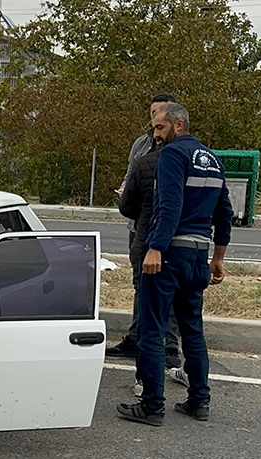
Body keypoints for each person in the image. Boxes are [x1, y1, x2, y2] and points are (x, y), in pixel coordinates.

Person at [117, 102, 232, 427]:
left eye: (159, 128)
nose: (155, 134)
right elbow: (224, 211)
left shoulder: (171, 156)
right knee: (192, 329)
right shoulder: (212, 159)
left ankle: (152, 405)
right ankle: (199, 400)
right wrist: (218, 257)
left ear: (178, 126)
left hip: (168, 254)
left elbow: (169, 205)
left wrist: (155, 248)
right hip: (198, 255)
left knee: (152, 330)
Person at [107, 93, 181, 369]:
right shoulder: (141, 145)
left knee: (168, 287)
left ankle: (169, 345)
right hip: (138, 227)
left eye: (161, 116)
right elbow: (130, 177)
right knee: (141, 284)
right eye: (152, 115)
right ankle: (135, 338)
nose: (155, 122)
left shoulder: (181, 151)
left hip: (168, 232)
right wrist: (126, 192)